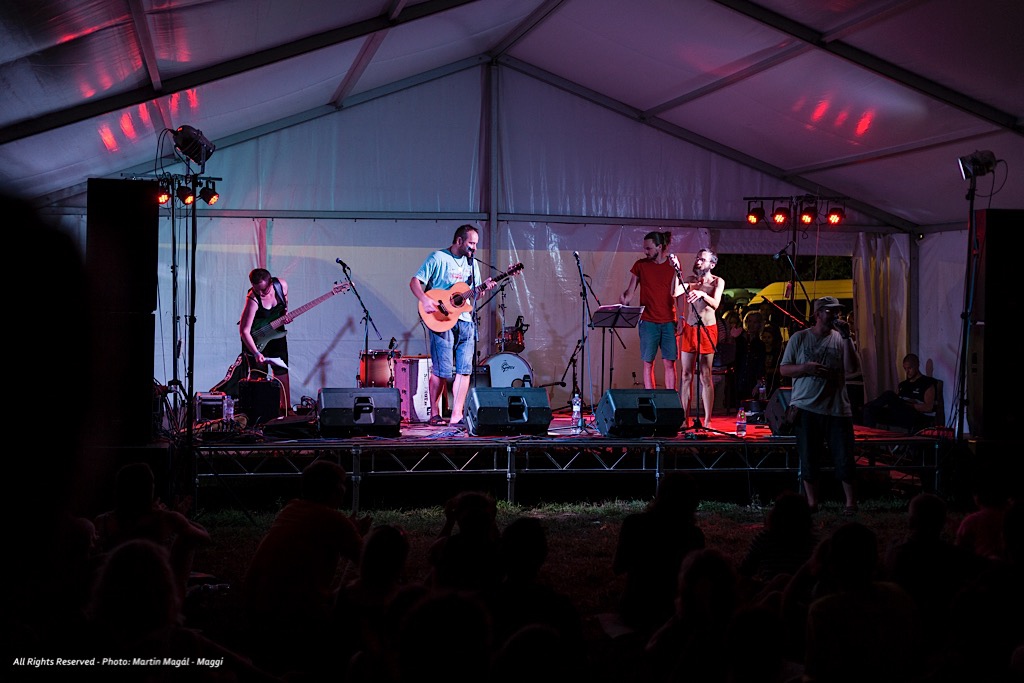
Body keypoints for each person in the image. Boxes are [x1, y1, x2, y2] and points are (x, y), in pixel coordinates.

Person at [242, 460, 371, 677]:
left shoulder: (291, 509)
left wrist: (350, 529)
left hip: (256, 609)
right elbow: (369, 563)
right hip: (295, 616)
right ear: (336, 489)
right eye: (343, 484)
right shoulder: (333, 519)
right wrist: (357, 533)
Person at [779, 296, 861, 514]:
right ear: (817, 314)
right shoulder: (800, 338)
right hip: (806, 407)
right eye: (829, 311)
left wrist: (847, 337)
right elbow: (784, 369)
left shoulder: (841, 339)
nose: (835, 315)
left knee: (844, 457)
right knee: (809, 457)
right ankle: (812, 502)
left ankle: (850, 503)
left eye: (837, 311)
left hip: (837, 408)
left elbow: (852, 368)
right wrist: (806, 368)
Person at [409, 224, 496, 427]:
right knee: (442, 370)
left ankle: (457, 415)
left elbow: (474, 294)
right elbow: (415, 282)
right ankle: (434, 413)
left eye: (476, 244)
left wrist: (484, 288)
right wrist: (424, 299)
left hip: (465, 321)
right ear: (459, 241)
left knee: (464, 370)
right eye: (471, 243)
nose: (474, 248)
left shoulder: (472, 264)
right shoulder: (438, 258)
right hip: (442, 320)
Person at [211, 267, 293, 415]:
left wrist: (285, 316)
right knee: (259, 374)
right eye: (257, 289)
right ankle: (259, 412)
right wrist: (256, 353)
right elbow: (244, 331)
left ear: (271, 283)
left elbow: (284, 306)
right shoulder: (253, 298)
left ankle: (286, 408)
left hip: (276, 333)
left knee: (282, 370)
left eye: (264, 290)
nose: (261, 293)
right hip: (256, 338)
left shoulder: (282, 286)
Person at [618, 231, 685, 389]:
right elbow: (630, 291)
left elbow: (680, 294)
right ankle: (651, 397)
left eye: (648, 248)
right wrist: (625, 299)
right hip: (648, 321)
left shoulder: (672, 266)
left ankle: (670, 398)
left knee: (670, 362)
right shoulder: (640, 265)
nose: (645, 252)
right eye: (645, 248)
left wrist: (681, 317)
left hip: (669, 321)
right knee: (648, 363)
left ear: (659, 247)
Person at [677, 248, 725, 427]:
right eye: (697, 258)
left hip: (707, 328)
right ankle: (684, 419)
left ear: (712, 264)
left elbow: (715, 304)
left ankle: (707, 420)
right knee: (686, 375)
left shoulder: (717, 281)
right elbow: (675, 292)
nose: (698, 262)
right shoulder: (691, 280)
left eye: (702, 259)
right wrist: (677, 270)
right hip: (690, 328)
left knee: (705, 374)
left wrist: (703, 294)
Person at [861, 353, 939, 432]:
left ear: (917, 365)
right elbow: (896, 403)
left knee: (889, 395)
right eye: (905, 369)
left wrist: (910, 404)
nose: (907, 372)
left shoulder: (927, 383)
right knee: (870, 411)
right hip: (899, 414)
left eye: (910, 368)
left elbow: (929, 408)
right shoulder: (903, 385)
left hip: (916, 416)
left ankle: (865, 407)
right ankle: (867, 437)